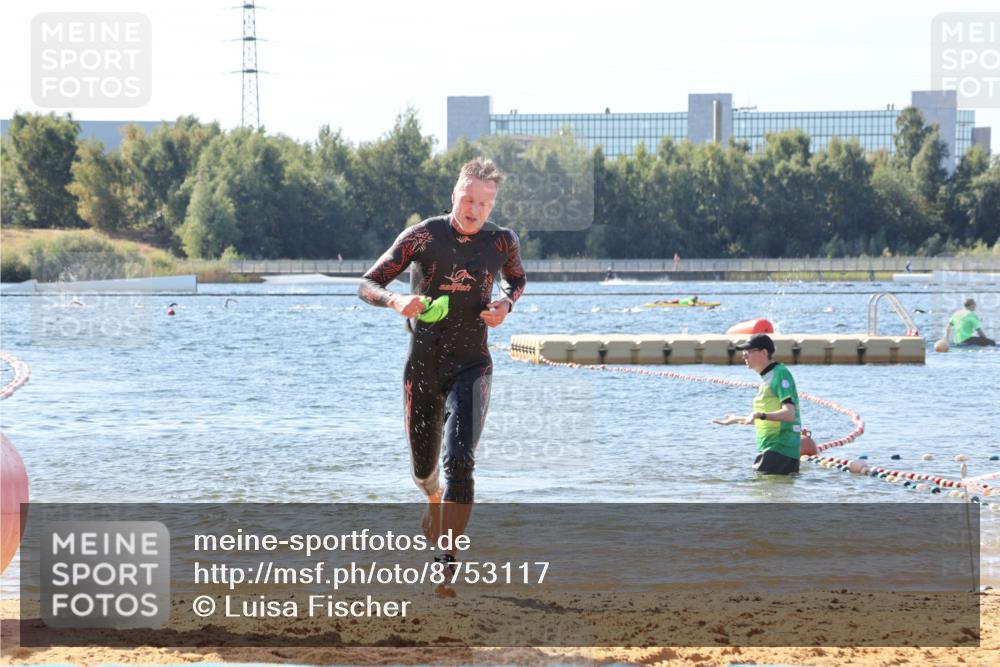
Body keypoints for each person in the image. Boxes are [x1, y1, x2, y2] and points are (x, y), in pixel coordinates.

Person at [358, 158, 526, 592]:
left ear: (492, 205)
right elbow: (368, 283)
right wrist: (396, 302)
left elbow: (517, 281)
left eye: (484, 203)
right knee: (424, 470)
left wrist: (505, 306)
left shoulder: (502, 242)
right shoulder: (424, 237)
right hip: (423, 366)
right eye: (468, 199)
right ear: (454, 194)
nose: (474, 210)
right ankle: (433, 501)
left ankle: (446, 558)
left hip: (473, 365)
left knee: (461, 459)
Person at [713, 334, 802, 474]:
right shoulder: (767, 378)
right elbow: (767, 420)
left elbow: (789, 414)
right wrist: (736, 419)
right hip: (772, 450)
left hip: (779, 449)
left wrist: (760, 414)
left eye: (748, 352)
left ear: (764, 352)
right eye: (743, 353)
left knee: (755, 489)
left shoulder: (780, 374)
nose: (744, 356)